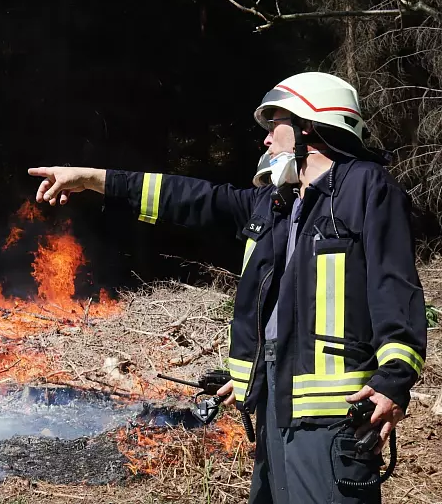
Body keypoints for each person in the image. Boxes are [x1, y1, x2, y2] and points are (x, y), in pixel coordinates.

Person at [28, 72, 427, 504]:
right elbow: (190, 198)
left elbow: (394, 287)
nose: (265, 139)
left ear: (308, 125)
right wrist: (92, 179)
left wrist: (393, 380)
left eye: (274, 123)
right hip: (274, 408)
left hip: (335, 420)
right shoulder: (276, 205)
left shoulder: (366, 186)